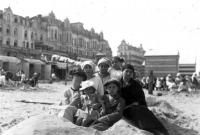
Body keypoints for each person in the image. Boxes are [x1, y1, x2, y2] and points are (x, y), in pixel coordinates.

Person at [120, 64, 169, 135]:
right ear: (122, 71)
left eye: (130, 72)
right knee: (138, 113)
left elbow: (141, 98)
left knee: (146, 111)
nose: (128, 73)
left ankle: (162, 130)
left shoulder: (136, 84)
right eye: (126, 71)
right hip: (125, 109)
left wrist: (137, 103)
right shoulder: (117, 83)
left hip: (137, 106)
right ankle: (151, 130)